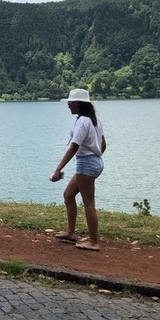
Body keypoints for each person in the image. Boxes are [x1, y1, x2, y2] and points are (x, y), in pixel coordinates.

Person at [50, 88, 107, 251]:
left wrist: (58, 169)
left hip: (86, 163)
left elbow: (73, 147)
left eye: (70, 102)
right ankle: (71, 232)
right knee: (68, 195)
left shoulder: (83, 121)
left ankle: (94, 242)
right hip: (93, 162)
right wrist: (96, 157)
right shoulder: (95, 120)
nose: (68, 105)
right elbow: (103, 145)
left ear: (78, 103)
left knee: (89, 203)